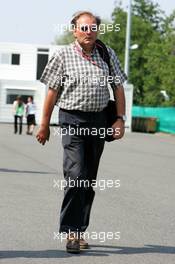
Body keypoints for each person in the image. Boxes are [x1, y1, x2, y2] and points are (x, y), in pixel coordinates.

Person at [36, 11, 127, 254]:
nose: (89, 32)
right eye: (84, 28)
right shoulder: (62, 55)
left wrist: (119, 119)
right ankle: (71, 232)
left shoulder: (106, 54)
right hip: (72, 120)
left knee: (88, 179)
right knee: (75, 175)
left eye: (93, 28)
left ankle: (80, 230)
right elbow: (52, 93)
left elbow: (118, 88)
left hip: (98, 121)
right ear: (74, 30)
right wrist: (44, 124)